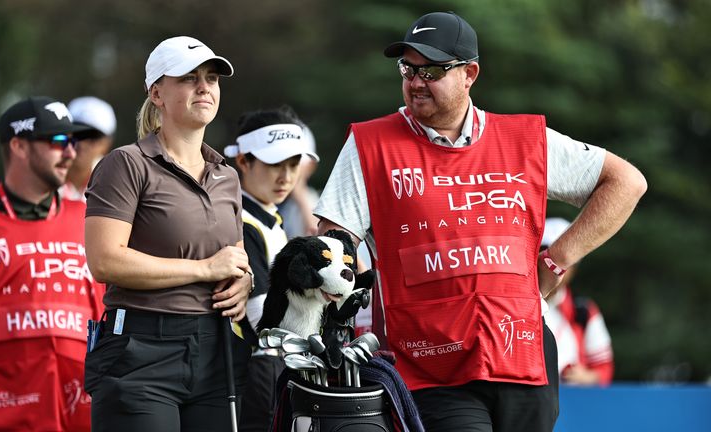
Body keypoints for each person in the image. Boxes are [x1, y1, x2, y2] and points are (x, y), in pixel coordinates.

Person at [314, 11, 647, 432]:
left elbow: (626, 182)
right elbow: (331, 238)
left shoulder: (525, 138)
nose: (416, 82)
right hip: (427, 362)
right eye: (408, 69)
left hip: (522, 353)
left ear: (469, 73)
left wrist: (555, 261)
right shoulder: (370, 143)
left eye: (432, 70)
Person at [83, 36, 253, 432]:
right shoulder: (125, 164)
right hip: (140, 351)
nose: (204, 87)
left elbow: (235, 257)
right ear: (156, 93)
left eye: (211, 78)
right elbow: (105, 260)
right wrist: (205, 269)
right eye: (189, 78)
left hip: (217, 350)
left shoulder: (226, 175)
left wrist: (243, 282)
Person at [0, 96, 105, 431]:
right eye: (58, 141)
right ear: (18, 145)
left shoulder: (95, 221)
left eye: (74, 141)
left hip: (84, 414)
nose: (71, 153)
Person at [222, 106, 319, 431]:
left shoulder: (268, 216)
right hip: (255, 374)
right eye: (275, 164)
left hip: (272, 368)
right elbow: (261, 317)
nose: (286, 177)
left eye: (293, 165)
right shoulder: (242, 223)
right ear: (244, 161)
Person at [541, 217, 614, 386]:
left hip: (573, 404)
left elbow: (604, 370)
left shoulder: (584, 311)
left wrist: (586, 377)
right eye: (546, 257)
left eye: (563, 260)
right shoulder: (512, 306)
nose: (554, 267)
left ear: (574, 268)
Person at [60, 96, 118, 201]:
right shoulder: (43, 175)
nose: (81, 143)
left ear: (106, 145)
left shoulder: (116, 184)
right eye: (77, 133)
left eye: (92, 137)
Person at [276, 123, 320, 238]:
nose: (286, 173)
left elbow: (318, 233)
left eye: (294, 164)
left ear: (311, 166)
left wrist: (299, 193)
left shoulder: (319, 204)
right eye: (277, 164)